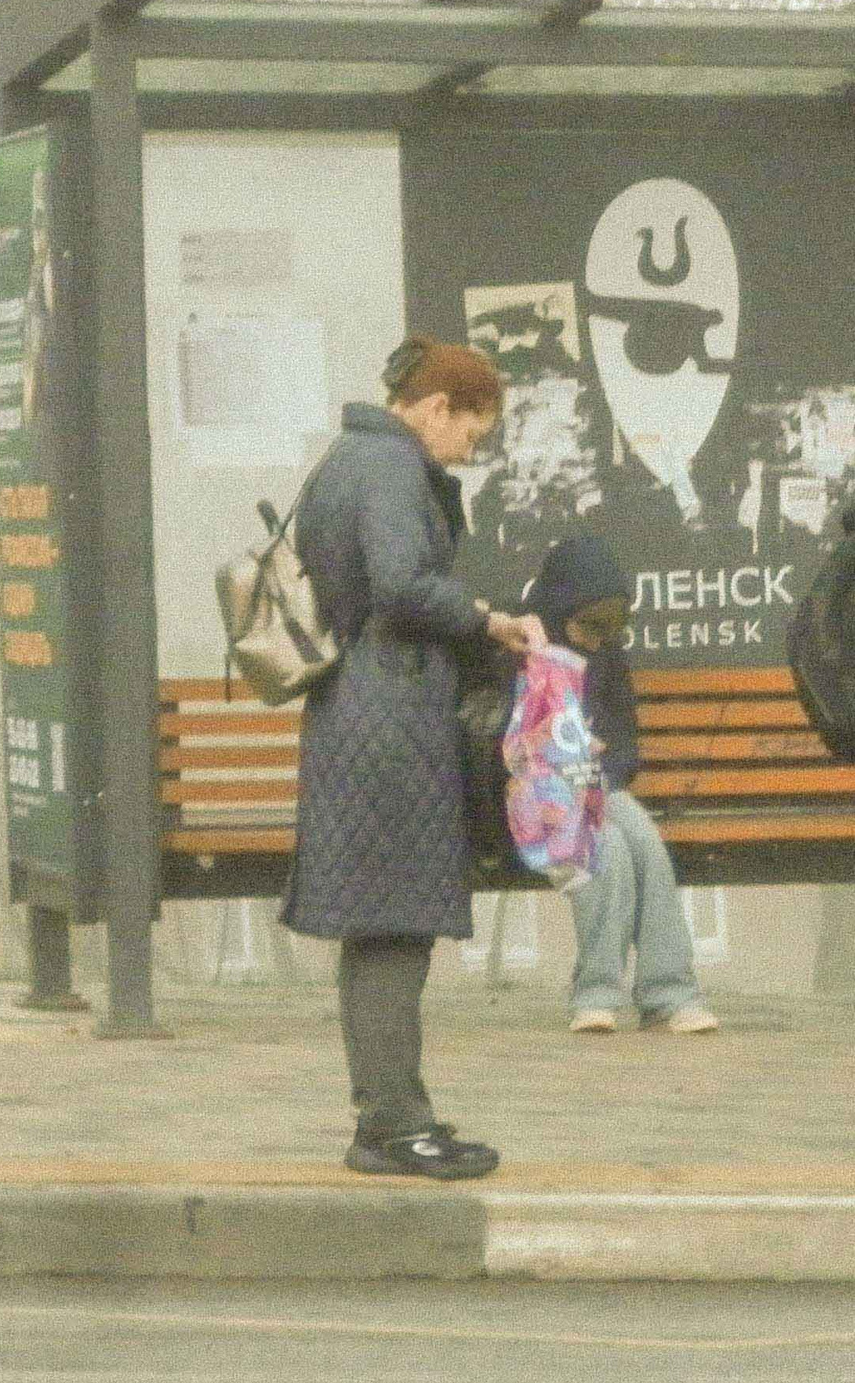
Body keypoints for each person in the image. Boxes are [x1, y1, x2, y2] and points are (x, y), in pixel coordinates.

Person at [281, 338, 546, 1179]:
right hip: (389, 720)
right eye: (474, 429)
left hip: (357, 713)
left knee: (381, 926)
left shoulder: (344, 462)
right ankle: (395, 1124)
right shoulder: (392, 469)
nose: (474, 448)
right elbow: (400, 585)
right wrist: (486, 618)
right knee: (395, 925)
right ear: (437, 408)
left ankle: (390, 1113)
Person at [523, 534, 720, 1037]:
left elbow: (624, 738)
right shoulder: (523, 652)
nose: (600, 637)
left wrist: (602, 767)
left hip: (595, 789)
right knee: (604, 844)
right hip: (534, 803)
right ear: (556, 610)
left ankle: (670, 994)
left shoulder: (607, 656)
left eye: (614, 626)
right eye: (589, 624)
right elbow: (504, 744)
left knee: (645, 842)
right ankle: (596, 994)